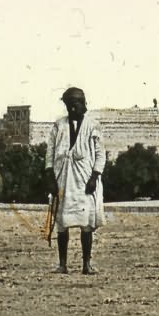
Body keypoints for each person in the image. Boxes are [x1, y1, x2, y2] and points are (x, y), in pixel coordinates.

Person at [43, 85, 105, 274]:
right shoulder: (59, 125)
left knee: (86, 223)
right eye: (77, 104)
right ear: (70, 106)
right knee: (62, 222)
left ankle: (86, 264)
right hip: (63, 179)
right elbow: (50, 152)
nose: (81, 107)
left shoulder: (92, 126)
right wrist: (50, 176)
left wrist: (94, 176)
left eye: (82, 103)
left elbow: (100, 154)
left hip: (84, 181)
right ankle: (62, 264)